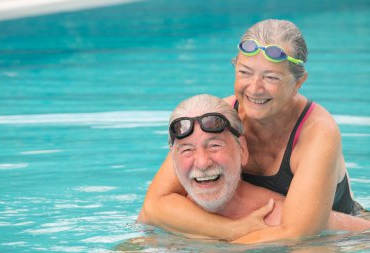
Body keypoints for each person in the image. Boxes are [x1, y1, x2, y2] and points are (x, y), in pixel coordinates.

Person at [140, 19, 367, 243]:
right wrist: (232, 230)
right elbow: (154, 205)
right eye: (245, 73)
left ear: (299, 82)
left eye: (271, 77)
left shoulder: (317, 132)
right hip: (254, 228)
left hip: (339, 235)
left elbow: (297, 234)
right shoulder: (218, 118)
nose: (255, 88)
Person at [139, 94, 370, 242]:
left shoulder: (273, 214)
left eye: (215, 146)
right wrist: (233, 232)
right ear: (173, 158)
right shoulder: (163, 213)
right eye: (187, 150)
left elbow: (363, 232)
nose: (201, 163)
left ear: (242, 150)